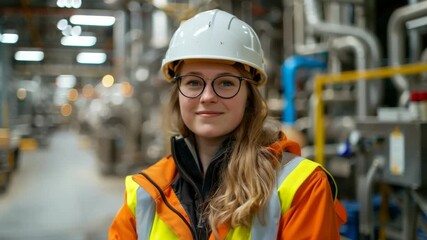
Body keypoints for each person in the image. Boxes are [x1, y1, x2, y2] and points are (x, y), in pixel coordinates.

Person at [109, 9, 347, 240]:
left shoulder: (302, 187)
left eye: (225, 83)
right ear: (177, 94)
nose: (207, 96)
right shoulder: (145, 193)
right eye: (193, 82)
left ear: (248, 95)